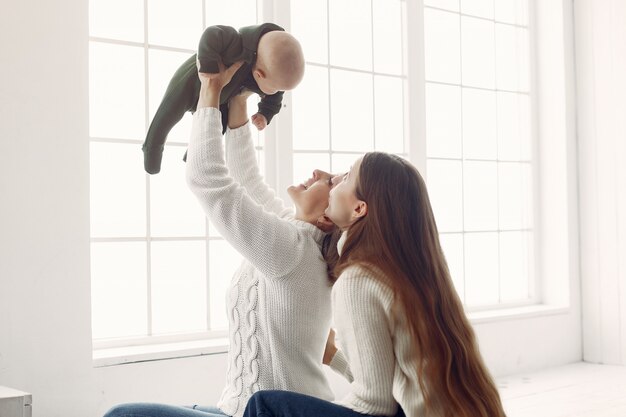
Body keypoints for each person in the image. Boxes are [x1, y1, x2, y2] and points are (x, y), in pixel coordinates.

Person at [104, 62, 334, 417]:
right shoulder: (295, 234)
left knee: (123, 415)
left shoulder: (293, 250)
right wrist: (239, 102)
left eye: (332, 182)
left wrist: (210, 89)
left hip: (266, 414)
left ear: (326, 218)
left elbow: (207, 179)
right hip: (237, 408)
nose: (320, 173)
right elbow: (247, 183)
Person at [243, 153, 508, 417]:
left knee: (263, 405)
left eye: (346, 176)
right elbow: (392, 376)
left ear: (359, 208)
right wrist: (334, 355)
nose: (333, 179)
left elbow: (375, 405)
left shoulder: (357, 280)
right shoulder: (410, 273)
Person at [142, 23, 304, 174]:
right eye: (277, 88)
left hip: (222, 97)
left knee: (217, 128)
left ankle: (193, 158)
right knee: (166, 116)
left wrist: (265, 113)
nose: (277, 92)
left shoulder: (269, 70)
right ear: (259, 75)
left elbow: (274, 97)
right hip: (191, 84)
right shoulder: (235, 43)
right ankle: (152, 157)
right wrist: (209, 71)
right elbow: (211, 34)